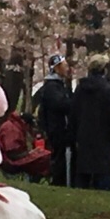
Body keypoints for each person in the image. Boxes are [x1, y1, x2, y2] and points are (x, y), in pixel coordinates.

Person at [68, 54, 110, 191]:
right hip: (103, 138)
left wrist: (73, 135)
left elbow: (73, 113)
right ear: (104, 69)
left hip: (83, 137)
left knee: (83, 175)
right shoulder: (108, 90)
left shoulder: (80, 89)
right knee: (102, 176)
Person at [38, 54, 72, 186]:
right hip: (56, 128)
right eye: (65, 65)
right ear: (57, 68)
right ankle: (58, 182)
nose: (67, 68)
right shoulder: (52, 87)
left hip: (59, 127)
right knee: (58, 157)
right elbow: (60, 104)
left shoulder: (59, 86)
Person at [0, 111, 51, 182]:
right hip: (9, 162)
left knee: (42, 154)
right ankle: (36, 177)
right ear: (26, 124)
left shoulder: (13, 125)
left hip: (7, 159)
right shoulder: (12, 130)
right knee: (44, 156)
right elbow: (12, 153)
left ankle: (36, 177)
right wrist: (30, 153)